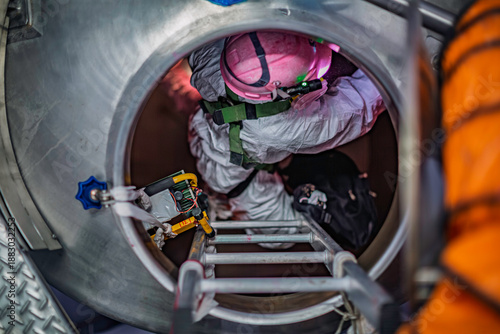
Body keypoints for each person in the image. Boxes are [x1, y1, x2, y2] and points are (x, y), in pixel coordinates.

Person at [188, 31, 385, 248]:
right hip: (235, 181)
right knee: (284, 235)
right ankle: (226, 196)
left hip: (206, 132)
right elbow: (361, 105)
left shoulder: (211, 51)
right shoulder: (280, 127)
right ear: (276, 92)